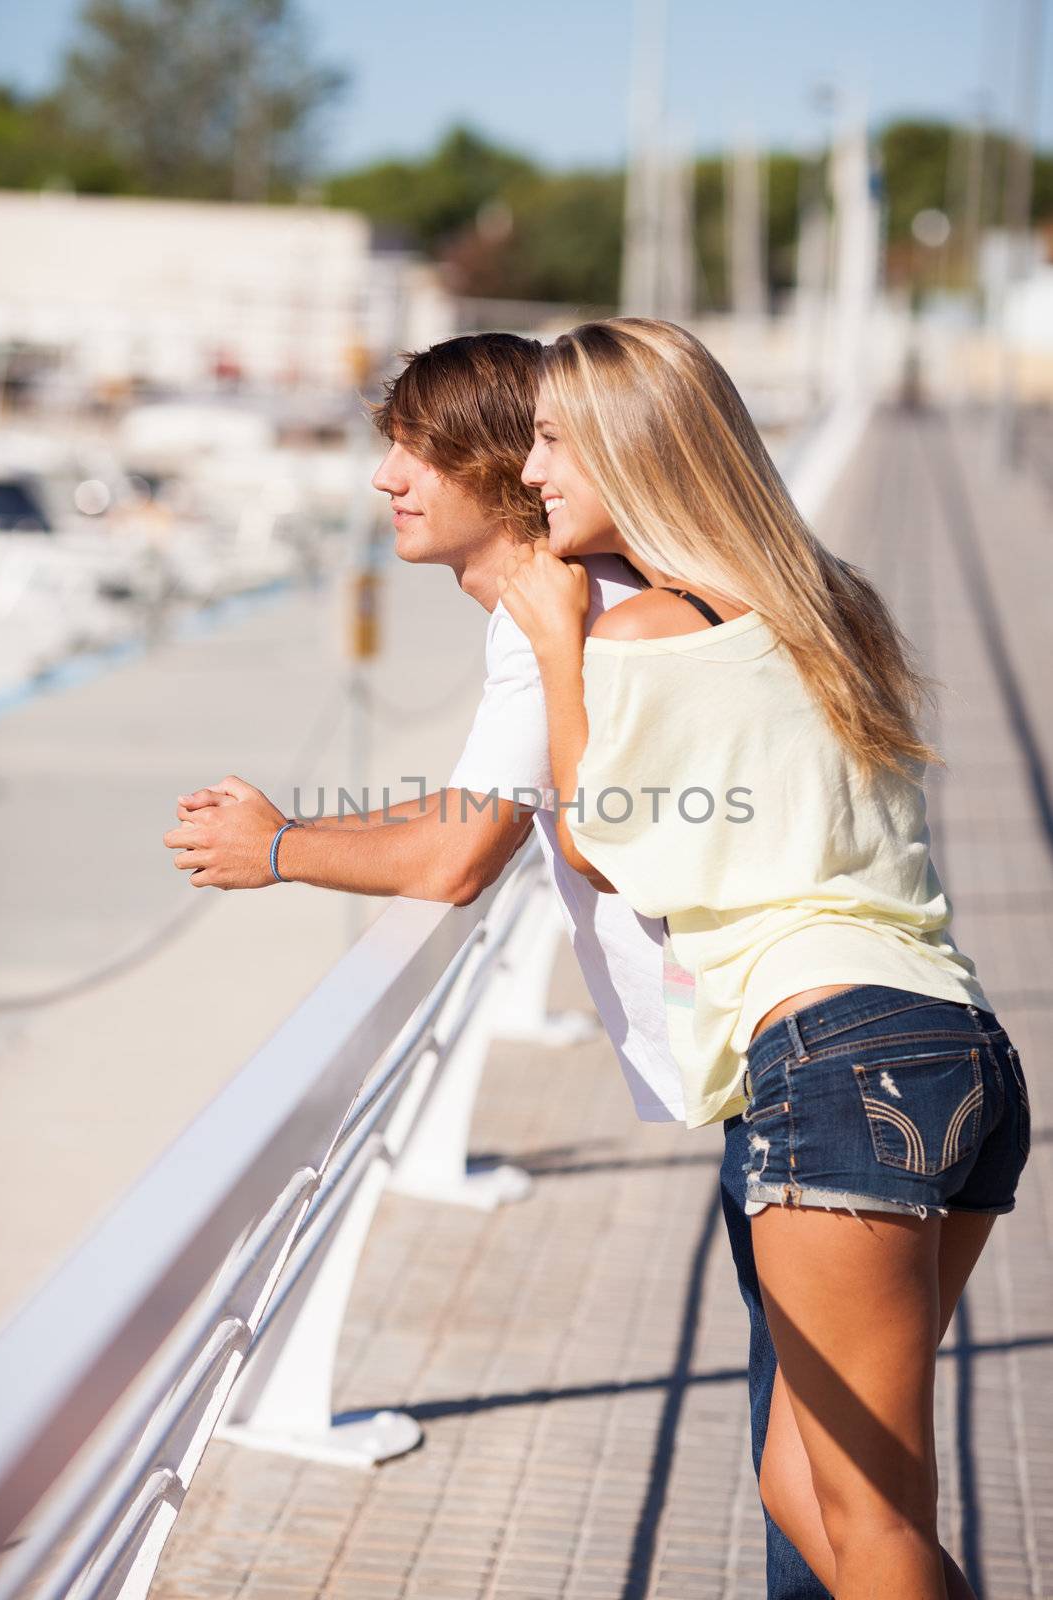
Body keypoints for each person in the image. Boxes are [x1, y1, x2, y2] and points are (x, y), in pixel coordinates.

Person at [164, 332, 830, 1600]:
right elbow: (479, 804)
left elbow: (462, 854)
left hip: (805, 1069)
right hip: (792, 1056)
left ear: (500, 470)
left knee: (824, 1503)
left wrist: (286, 849)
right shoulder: (565, 606)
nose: (387, 479)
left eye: (417, 450)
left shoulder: (568, 619)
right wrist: (296, 827)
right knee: (817, 1484)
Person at [496, 315, 1031, 1600]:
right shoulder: (826, 603)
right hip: (955, 1049)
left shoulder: (643, 633)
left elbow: (607, 842)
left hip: (833, 1059)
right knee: (811, 1487)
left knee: (866, 1511)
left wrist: (558, 643)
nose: (528, 472)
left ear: (634, 453)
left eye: (553, 438)